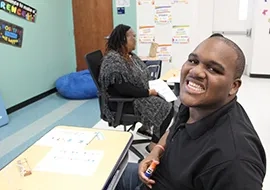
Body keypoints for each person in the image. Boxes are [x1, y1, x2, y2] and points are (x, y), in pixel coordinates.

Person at [115, 34, 266, 189]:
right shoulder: (196, 105)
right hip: (154, 177)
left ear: (233, 86)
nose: (196, 72)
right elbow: (174, 130)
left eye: (213, 69)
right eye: (193, 61)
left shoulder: (235, 161)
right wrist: (157, 151)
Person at [98, 24, 174, 152]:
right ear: (123, 39)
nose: (135, 39)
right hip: (123, 103)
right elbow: (124, 89)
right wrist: (148, 92)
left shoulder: (128, 55)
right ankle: (153, 145)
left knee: (168, 101)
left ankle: (145, 128)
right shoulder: (113, 61)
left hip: (131, 97)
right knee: (167, 108)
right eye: (133, 36)